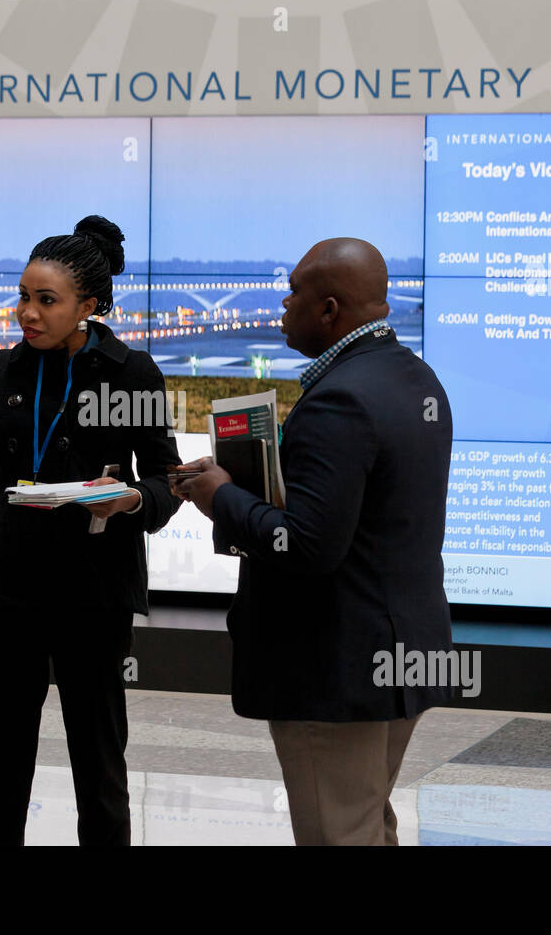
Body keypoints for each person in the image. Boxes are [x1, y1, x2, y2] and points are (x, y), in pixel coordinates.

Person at [175, 237, 453, 846]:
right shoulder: (415, 378)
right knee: (366, 824)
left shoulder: (341, 400)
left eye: (296, 289)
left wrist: (220, 495)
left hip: (334, 667)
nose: (283, 298)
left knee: (338, 835)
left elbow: (306, 547)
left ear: (328, 310)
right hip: (399, 653)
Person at [0, 215, 181, 845]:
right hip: (9, 591)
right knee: (0, 758)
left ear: (89, 307)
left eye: (46, 300)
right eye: (23, 296)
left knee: (98, 761)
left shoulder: (132, 373)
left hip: (93, 592)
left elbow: (164, 479)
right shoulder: (3, 371)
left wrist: (130, 501)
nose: (27, 313)